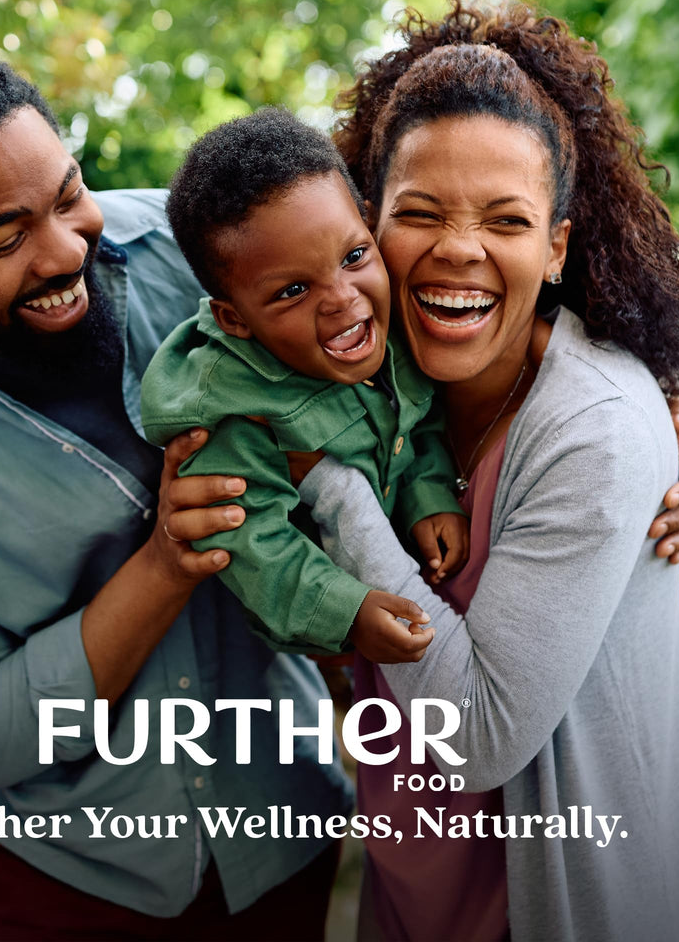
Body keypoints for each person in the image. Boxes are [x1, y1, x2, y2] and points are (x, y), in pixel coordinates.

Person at [0, 42, 353, 941]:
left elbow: (409, 327)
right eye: (7, 237)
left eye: (68, 195)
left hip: (280, 837)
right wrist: (165, 568)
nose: (65, 251)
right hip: (56, 881)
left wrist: (644, 428)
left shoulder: (193, 250)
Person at [295, 2, 679, 940]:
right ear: (366, 221)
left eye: (506, 219)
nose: (458, 248)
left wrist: (330, 486)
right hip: (418, 888)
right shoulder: (368, 382)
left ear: (556, 246)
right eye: (418, 212)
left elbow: (479, 736)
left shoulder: (592, 428)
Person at [142, 107, 468, 663]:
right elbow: (252, 545)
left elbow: (415, 419)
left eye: (354, 255)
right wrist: (348, 611)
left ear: (369, 225)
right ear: (235, 320)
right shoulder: (236, 414)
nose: (342, 298)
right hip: (323, 629)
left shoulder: (389, 325)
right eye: (294, 289)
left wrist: (427, 494)